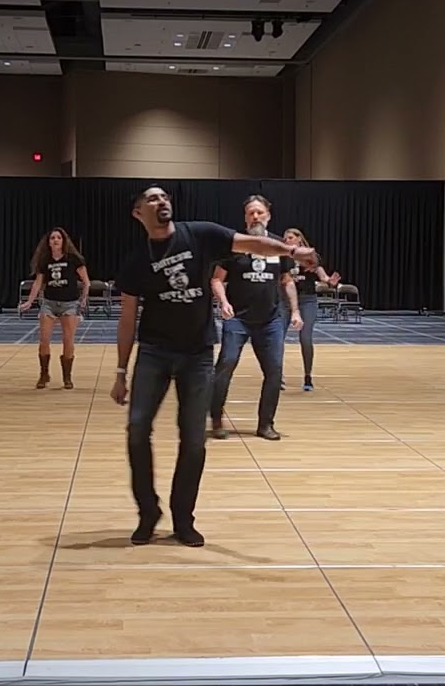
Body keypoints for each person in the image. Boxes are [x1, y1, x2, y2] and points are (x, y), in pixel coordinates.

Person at [111, 184, 319, 548]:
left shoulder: (200, 234)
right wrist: (120, 372)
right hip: (155, 352)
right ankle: (148, 512)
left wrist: (291, 251)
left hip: (196, 353)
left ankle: (183, 518)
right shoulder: (136, 260)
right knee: (137, 430)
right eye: (152, 198)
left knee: (194, 439)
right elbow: (127, 318)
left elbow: (253, 244)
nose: (161, 201)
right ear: (138, 213)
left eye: (164, 196)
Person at [208, 196, 298, 441]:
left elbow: (287, 281)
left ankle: (266, 424)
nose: (255, 217)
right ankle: (216, 418)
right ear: (245, 217)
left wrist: (295, 310)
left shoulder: (280, 245)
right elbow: (216, 279)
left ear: (268, 215)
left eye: (259, 212)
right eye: (251, 213)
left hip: (270, 320)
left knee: (275, 371)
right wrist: (224, 302)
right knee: (226, 364)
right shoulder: (234, 245)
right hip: (237, 318)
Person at [19, 227, 90, 389]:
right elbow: (38, 283)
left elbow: (86, 281)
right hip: (49, 303)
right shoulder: (45, 261)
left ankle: (67, 377)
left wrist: (84, 299)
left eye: (58, 237)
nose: (56, 240)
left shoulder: (73, 259)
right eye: (52, 238)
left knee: (68, 340)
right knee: (44, 339)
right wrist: (29, 301)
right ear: (49, 242)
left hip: (69, 304)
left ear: (64, 241)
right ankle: (44, 374)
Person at [280, 228, 340, 391]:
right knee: (277, 338)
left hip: (307, 300)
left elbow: (323, 276)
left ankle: (308, 376)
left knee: (305, 338)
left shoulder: (311, 257)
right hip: (285, 301)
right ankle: (278, 375)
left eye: (290, 238)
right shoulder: (282, 256)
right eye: (285, 239)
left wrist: (330, 282)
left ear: (299, 239)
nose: (287, 241)